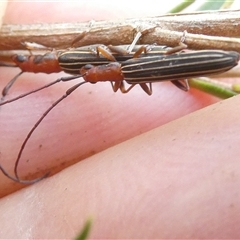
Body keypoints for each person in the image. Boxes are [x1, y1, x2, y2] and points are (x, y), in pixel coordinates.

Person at [0, 1, 240, 238]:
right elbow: (137, 57)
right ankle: (186, 46)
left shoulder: (131, 77)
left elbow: (129, 76)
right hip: (199, 60)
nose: (88, 72)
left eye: (90, 73)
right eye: (91, 75)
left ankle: (189, 49)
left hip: (205, 60)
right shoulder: (129, 66)